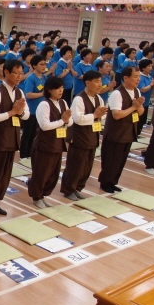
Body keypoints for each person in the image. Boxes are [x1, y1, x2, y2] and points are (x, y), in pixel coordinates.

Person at [0, 60, 29, 218]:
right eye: (16, 73)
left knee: (5, 174)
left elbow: (26, 114)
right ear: (6, 72)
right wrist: (13, 111)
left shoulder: (19, 93)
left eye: (21, 73)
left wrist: (19, 112)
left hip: (12, 138)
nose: (19, 76)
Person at [60, 70, 108, 200]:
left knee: (87, 166)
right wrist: (95, 115)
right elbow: (78, 119)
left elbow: (103, 116)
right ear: (87, 83)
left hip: (92, 137)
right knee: (76, 165)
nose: (100, 85)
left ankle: (77, 188)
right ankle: (68, 189)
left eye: (101, 81)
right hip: (79, 137)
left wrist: (99, 115)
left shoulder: (98, 98)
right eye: (97, 82)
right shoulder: (79, 99)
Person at [27, 76, 73, 208]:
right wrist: (62, 121)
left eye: (62, 87)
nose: (61, 90)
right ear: (49, 90)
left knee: (53, 173)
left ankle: (43, 195)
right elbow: (44, 125)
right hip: (45, 144)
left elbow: (70, 121)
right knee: (41, 172)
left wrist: (66, 121)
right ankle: (36, 196)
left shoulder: (63, 103)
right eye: (57, 88)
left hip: (58, 143)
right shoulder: (44, 104)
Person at [98, 67, 145, 193]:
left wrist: (138, 106)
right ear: (125, 78)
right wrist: (133, 107)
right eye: (135, 76)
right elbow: (117, 115)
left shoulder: (137, 92)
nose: (138, 79)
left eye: (138, 76)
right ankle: (105, 183)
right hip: (116, 132)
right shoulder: (117, 94)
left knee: (121, 160)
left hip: (129, 131)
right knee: (111, 159)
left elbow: (141, 112)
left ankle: (113, 182)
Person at [20, 55, 48, 159]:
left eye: (45, 64)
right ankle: (24, 154)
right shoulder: (31, 78)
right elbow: (28, 94)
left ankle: (32, 153)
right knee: (28, 133)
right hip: (31, 111)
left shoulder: (45, 77)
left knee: (36, 134)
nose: (44, 66)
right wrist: (42, 94)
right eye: (41, 64)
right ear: (34, 66)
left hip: (41, 111)